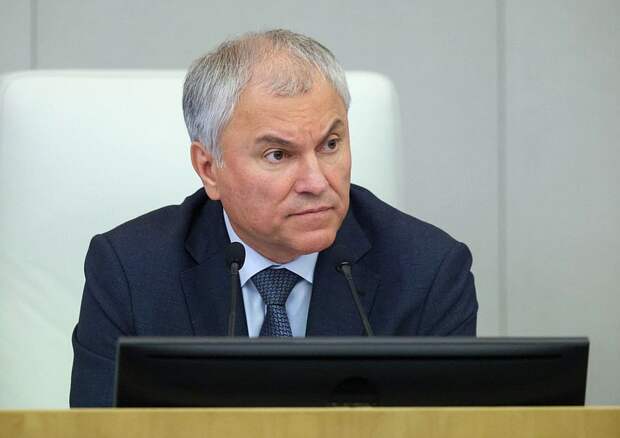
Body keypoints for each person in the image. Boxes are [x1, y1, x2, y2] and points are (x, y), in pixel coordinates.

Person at [70, 29, 478, 407]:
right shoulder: (130, 272)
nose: (316, 182)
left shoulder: (430, 272)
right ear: (209, 168)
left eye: (330, 144)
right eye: (278, 155)